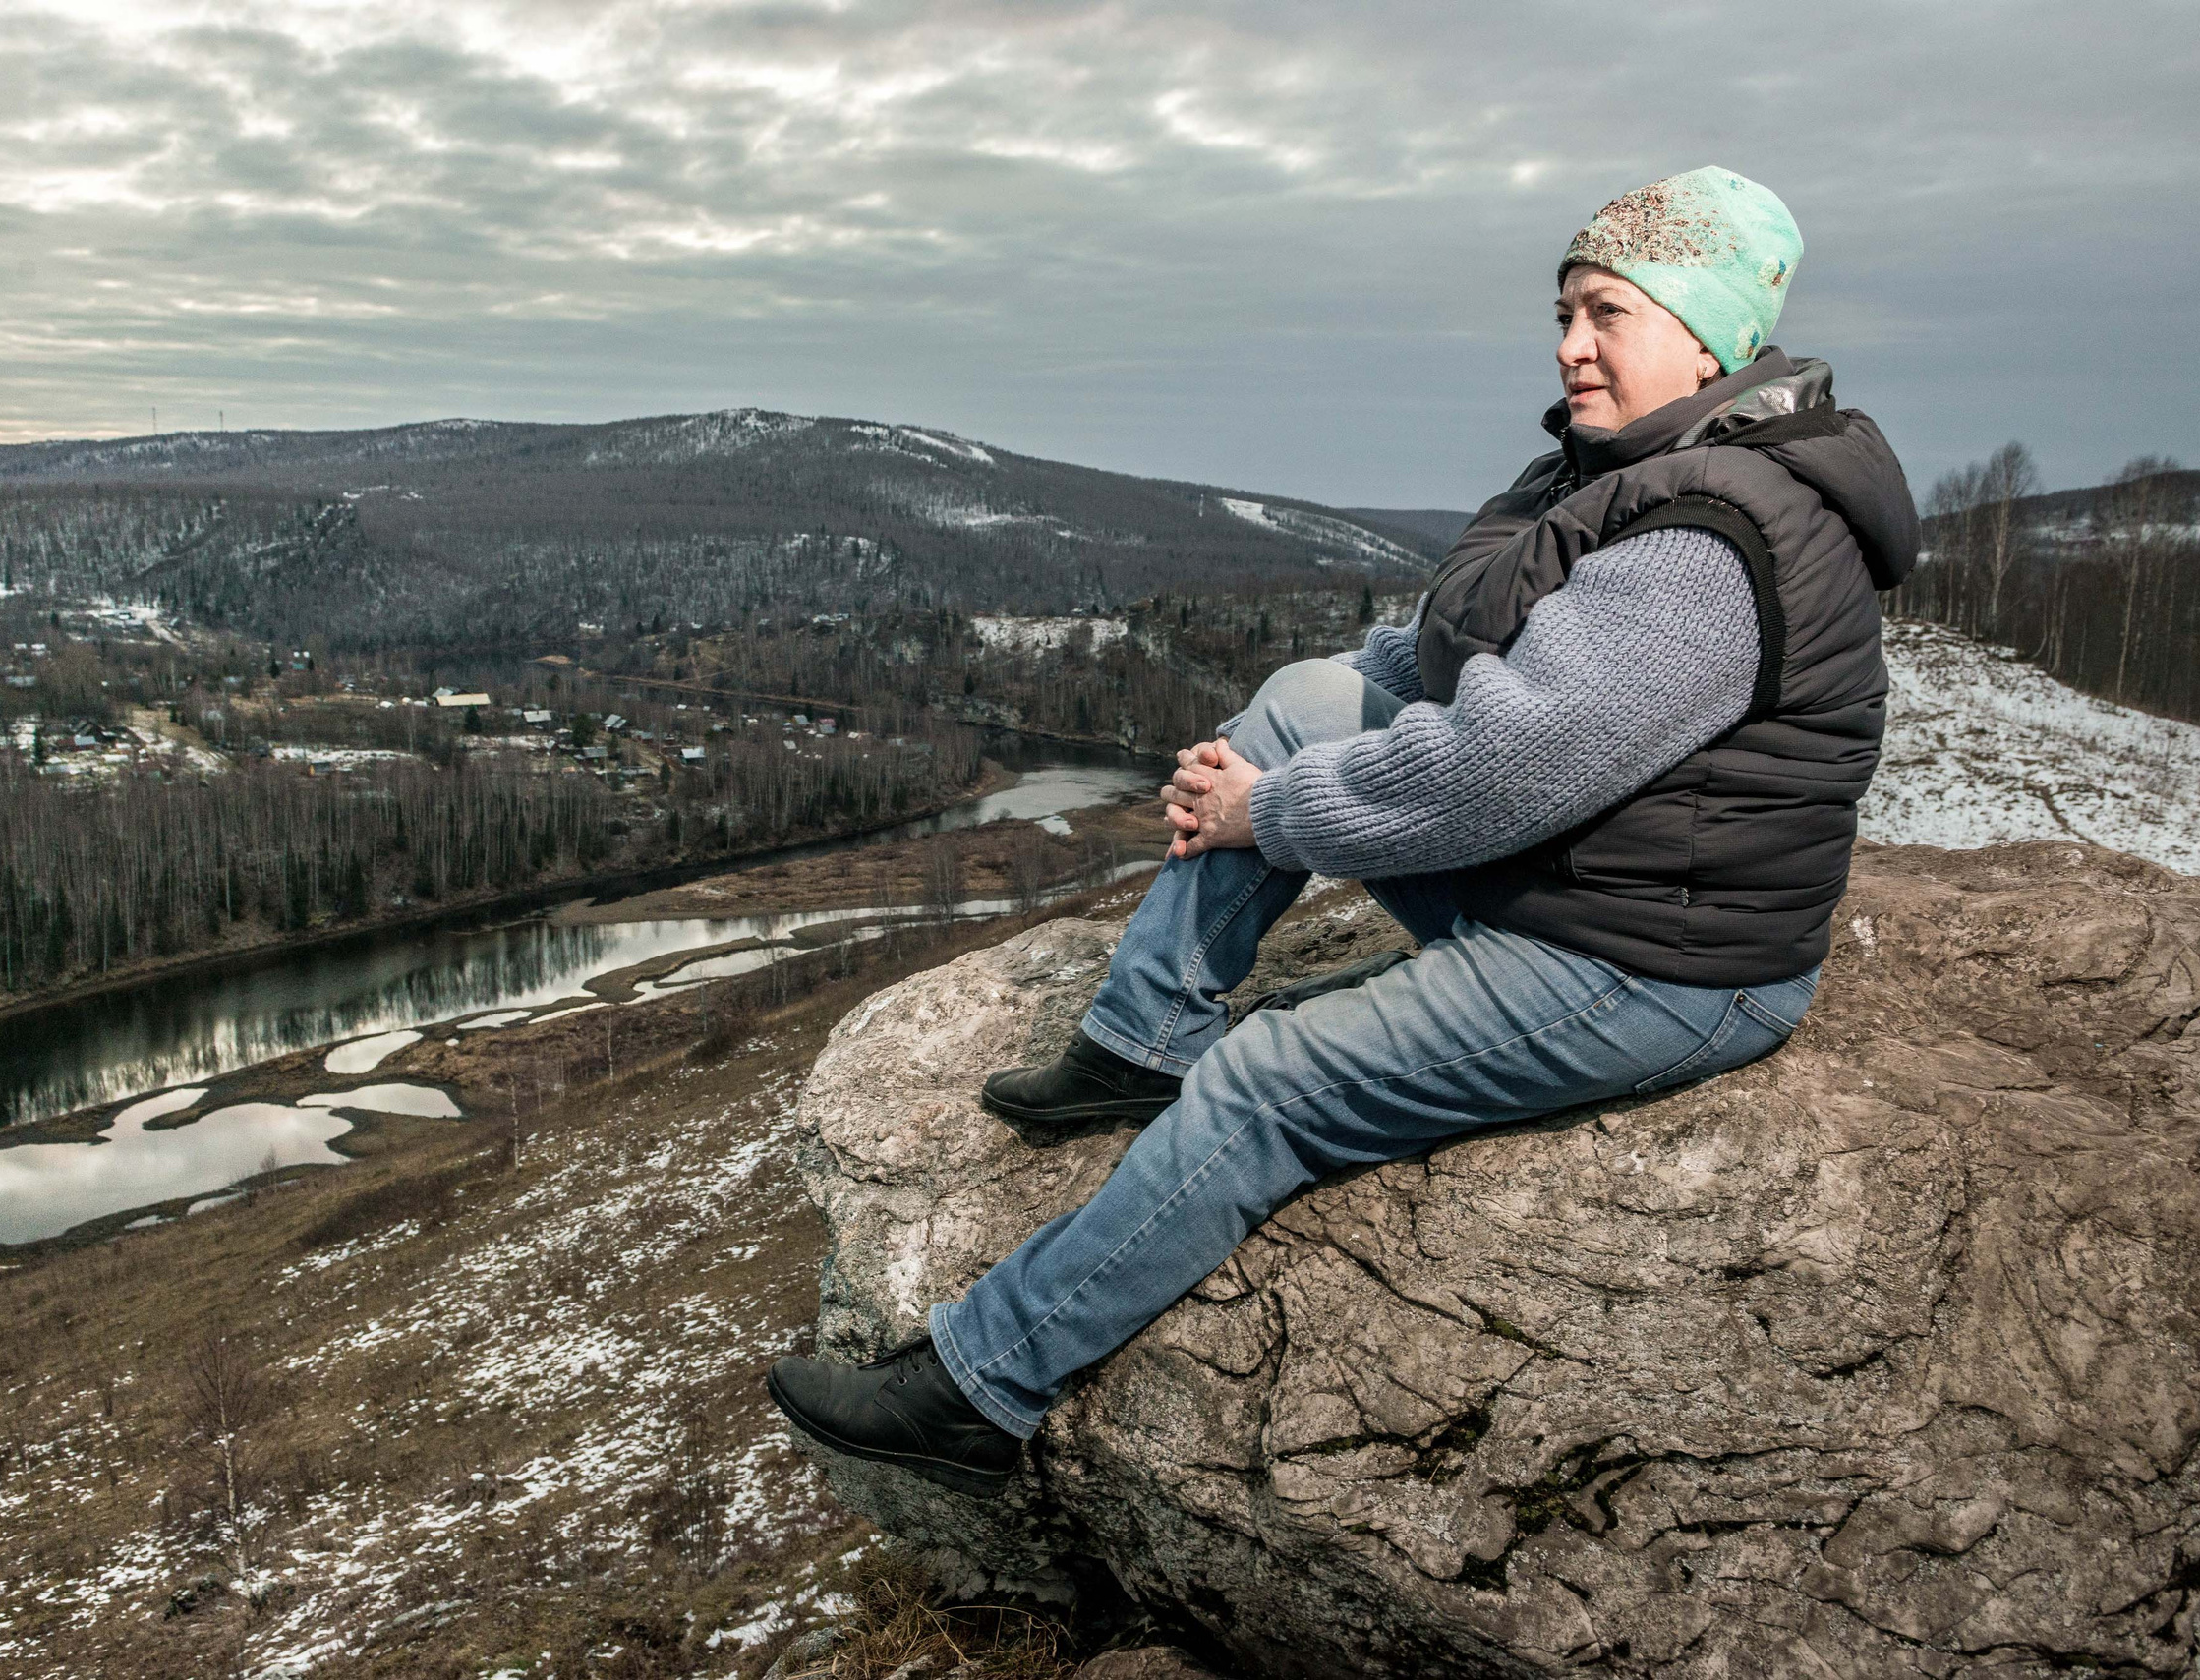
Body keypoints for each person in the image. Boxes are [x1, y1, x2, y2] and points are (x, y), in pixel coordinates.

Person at [767, 166, 1919, 1497]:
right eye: (1564, 311)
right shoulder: (1627, 466)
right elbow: (1460, 646)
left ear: (1708, 338)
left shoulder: (1711, 542)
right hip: (1586, 872)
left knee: (1267, 1082)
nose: (1570, 345)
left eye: (1608, 312)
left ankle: (981, 1389)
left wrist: (1265, 810)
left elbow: (1496, 774)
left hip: (1655, 956)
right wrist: (1283, 743)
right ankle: (1140, 1041)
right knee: (1301, 701)